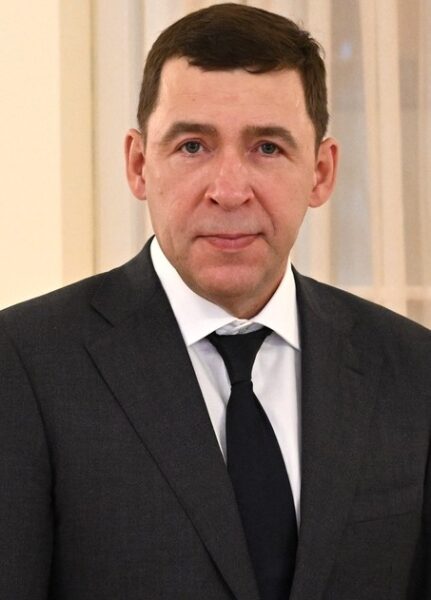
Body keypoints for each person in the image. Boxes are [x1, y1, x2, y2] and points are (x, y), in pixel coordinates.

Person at [0, 3, 430, 599]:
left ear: (321, 172)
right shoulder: (24, 363)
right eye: (193, 146)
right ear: (138, 164)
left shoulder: (412, 367)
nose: (229, 191)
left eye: (267, 148)